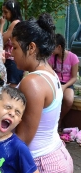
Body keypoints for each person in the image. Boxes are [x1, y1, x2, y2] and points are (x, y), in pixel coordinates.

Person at [12, 13, 73, 172]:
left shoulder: (32, 82)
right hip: (56, 154)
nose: (12, 53)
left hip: (42, 163)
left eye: (15, 47)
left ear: (31, 47)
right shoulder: (49, 73)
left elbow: (22, 138)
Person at [48, 33, 79, 130]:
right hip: (55, 82)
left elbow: (74, 78)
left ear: (59, 47)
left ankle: (59, 119)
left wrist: (65, 86)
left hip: (68, 84)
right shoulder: (52, 57)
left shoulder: (73, 57)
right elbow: (50, 73)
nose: (51, 49)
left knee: (69, 100)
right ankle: (51, 121)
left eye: (53, 46)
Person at [0, 0, 24, 87]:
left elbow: (0, 41)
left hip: (12, 62)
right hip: (13, 61)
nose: (4, 15)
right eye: (3, 12)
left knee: (12, 89)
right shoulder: (18, 23)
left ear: (13, 11)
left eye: (6, 12)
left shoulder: (14, 23)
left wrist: (1, 25)